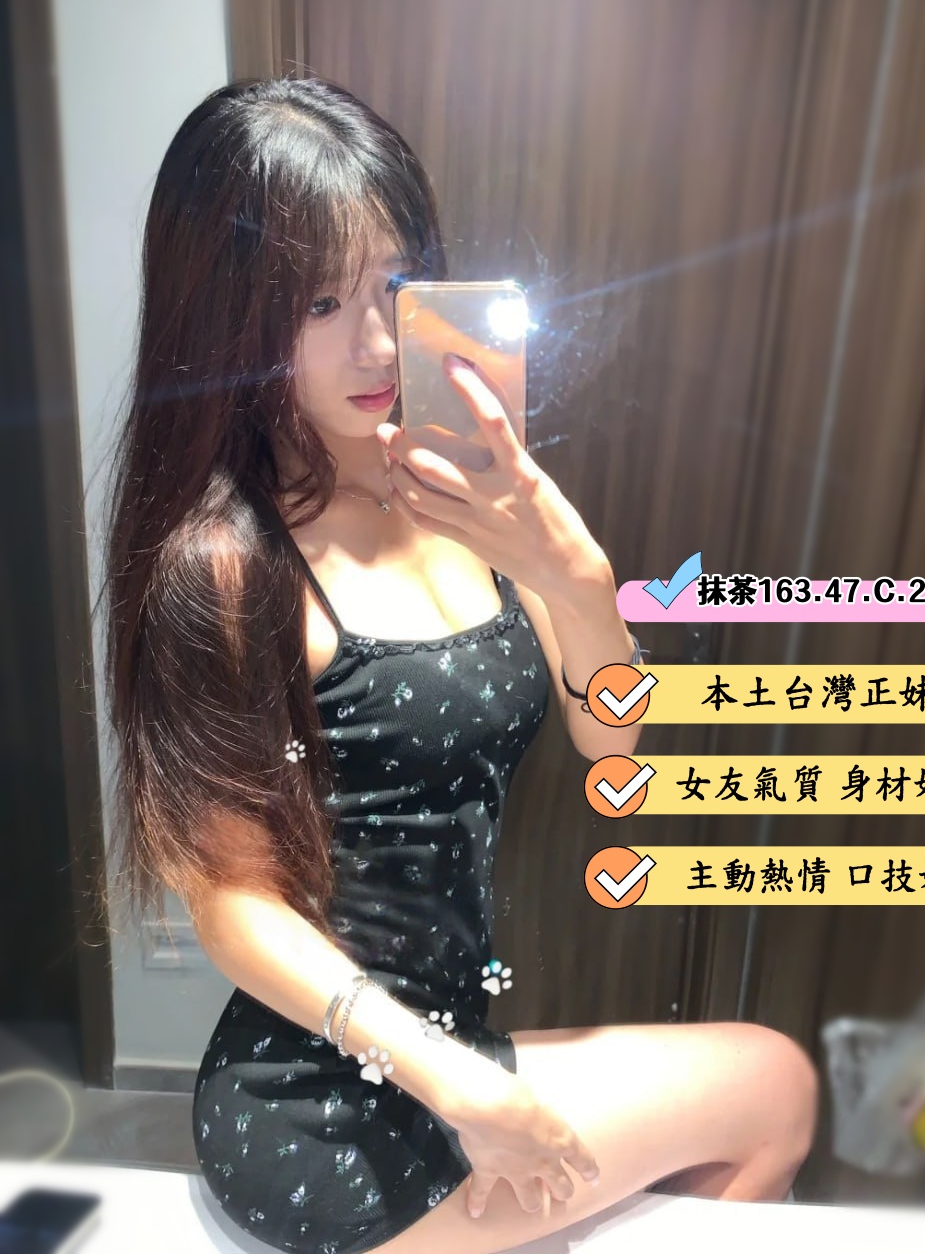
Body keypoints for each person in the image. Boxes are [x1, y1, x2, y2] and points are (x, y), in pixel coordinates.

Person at [102, 76, 818, 1254]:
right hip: (319, 1096)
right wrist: (457, 1085)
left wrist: (574, 575)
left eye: (394, 285)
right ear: (227, 312)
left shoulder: (458, 487)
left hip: (449, 1045)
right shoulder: (225, 563)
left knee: (771, 1082)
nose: (377, 342)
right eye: (319, 301)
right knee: (773, 1089)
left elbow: (612, 739)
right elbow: (230, 903)